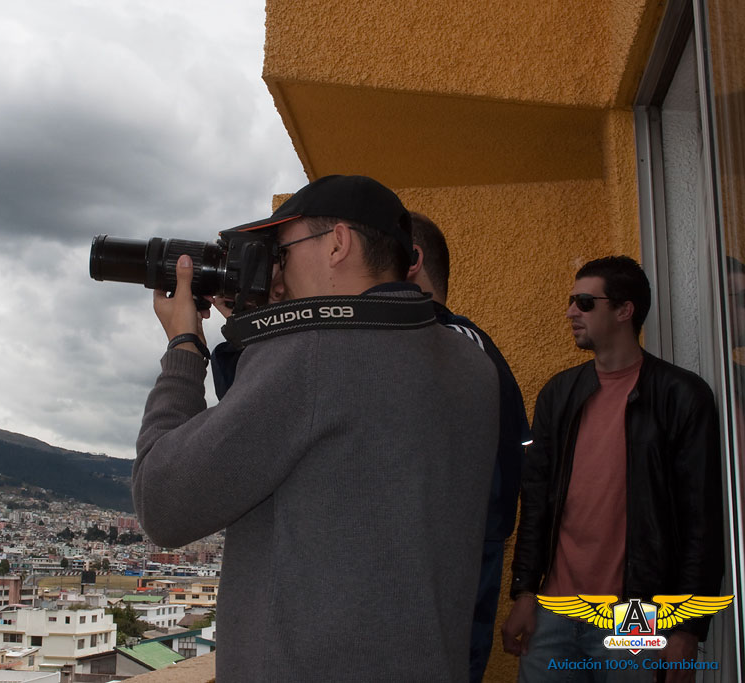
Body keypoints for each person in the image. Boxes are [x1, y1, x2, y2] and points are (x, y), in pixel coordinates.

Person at [134, 175, 499, 681]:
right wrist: (269, 330)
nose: (276, 271)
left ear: (337, 243)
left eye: (282, 250)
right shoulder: (471, 363)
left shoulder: (312, 356)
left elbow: (163, 503)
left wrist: (184, 348)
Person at [501, 256, 723, 682]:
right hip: (555, 608)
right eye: (571, 301)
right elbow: (536, 505)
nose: (570, 312)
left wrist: (687, 628)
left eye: (585, 302)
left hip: (635, 612)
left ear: (625, 310)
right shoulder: (559, 394)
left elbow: (702, 522)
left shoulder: (680, 396)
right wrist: (525, 593)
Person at [408, 213, 530, 682]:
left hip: (451, 558)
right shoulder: (472, 344)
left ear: (413, 262)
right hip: (459, 552)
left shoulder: (451, 340)